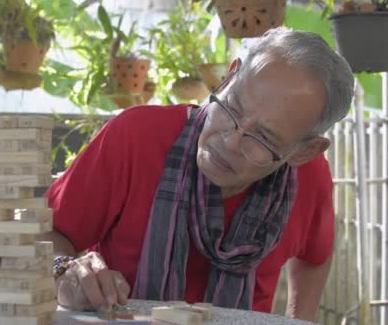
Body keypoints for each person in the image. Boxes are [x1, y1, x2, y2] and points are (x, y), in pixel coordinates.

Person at [44, 27, 354, 321]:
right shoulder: (135, 137)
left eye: (264, 138)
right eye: (232, 107)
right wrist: (63, 269)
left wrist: (298, 322)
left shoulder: (308, 179)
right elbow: (45, 231)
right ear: (228, 77)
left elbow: (315, 256)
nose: (230, 141)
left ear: (304, 151)